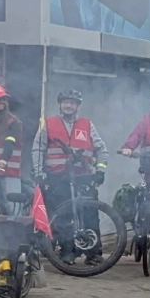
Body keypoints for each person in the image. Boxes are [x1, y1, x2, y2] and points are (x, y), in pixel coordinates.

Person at [32, 88, 108, 263]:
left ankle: (93, 253)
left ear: (77, 106)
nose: (68, 105)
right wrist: (39, 173)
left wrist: (100, 170)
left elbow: (101, 150)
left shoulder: (87, 125)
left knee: (90, 213)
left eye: (72, 103)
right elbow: (38, 149)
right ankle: (68, 251)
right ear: (60, 104)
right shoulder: (49, 124)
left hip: (84, 176)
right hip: (58, 176)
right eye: (65, 102)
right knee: (64, 216)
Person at [122, 88, 150, 241]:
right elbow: (136, 135)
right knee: (149, 197)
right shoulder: (147, 120)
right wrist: (128, 148)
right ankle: (142, 225)